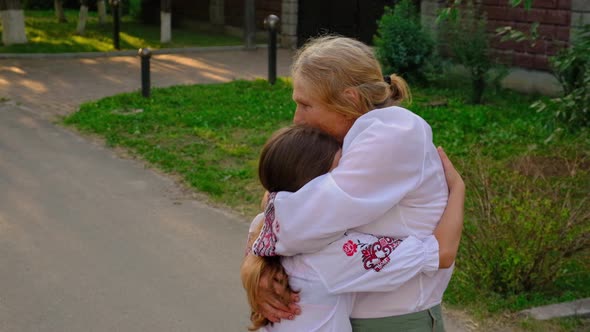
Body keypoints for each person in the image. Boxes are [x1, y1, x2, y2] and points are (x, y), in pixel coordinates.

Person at [250, 35, 463, 331]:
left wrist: (260, 242)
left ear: (349, 99)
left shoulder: (394, 133)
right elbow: (286, 197)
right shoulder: (345, 142)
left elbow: (301, 221)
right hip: (349, 316)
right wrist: (257, 260)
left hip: (392, 322)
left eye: (305, 104)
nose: (297, 118)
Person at [242, 125, 464, 331]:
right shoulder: (339, 252)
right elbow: (441, 254)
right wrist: (457, 189)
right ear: (315, 187)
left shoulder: (263, 227)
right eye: (341, 172)